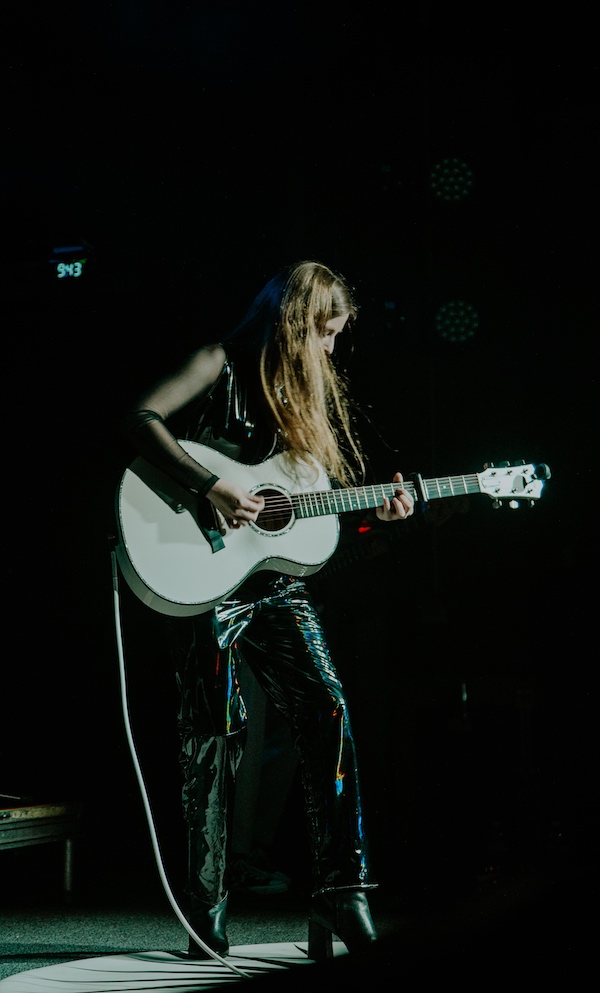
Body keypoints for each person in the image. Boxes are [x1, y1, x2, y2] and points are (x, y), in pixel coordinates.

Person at [119, 260, 414, 961]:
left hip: (272, 584)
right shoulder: (217, 361)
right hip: (200, 578)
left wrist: (377, 514)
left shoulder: (298, 398)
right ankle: (205, 907)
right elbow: (139, 416)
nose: (331, 350)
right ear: (293, 320)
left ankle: (344, 892)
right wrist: (212, 483)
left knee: (328, 705)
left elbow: (300, 515)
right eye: (325, 332)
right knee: (216, 736)